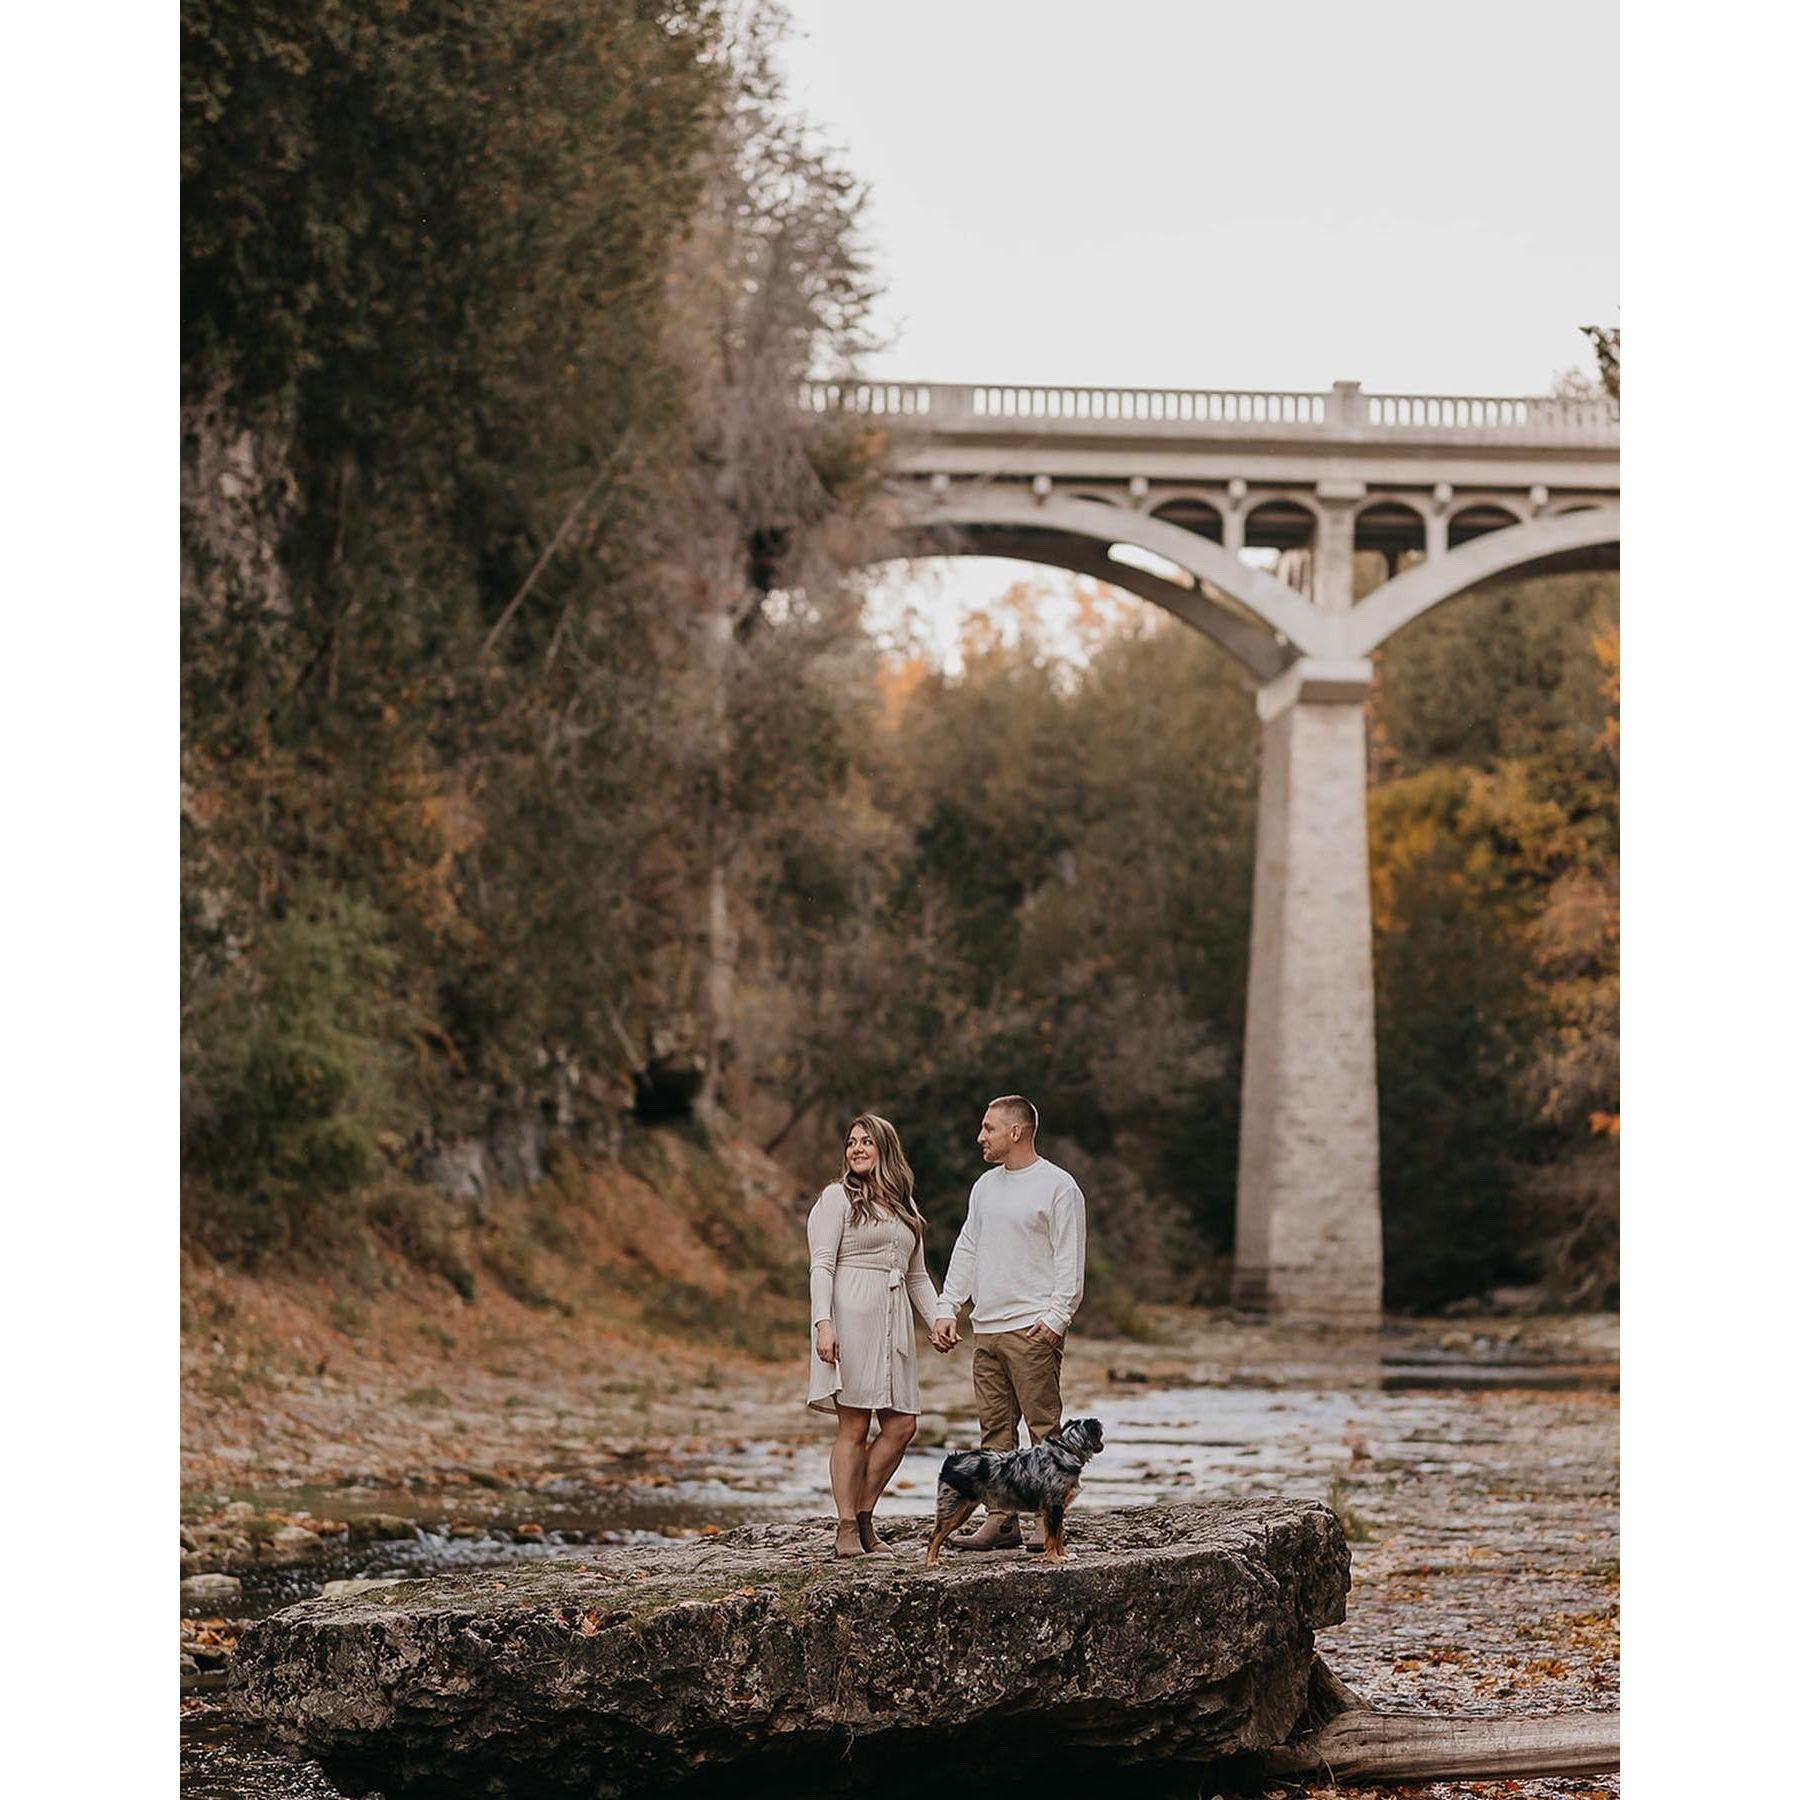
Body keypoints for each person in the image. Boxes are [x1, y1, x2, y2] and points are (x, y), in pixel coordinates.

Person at [932, 1094, 1087, 1552]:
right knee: (995, 1430)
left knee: (1045, 1431)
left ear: (1015, 1132)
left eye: (989, 1128)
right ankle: (1001, 1523)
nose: (980, 1136)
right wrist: (948, 1306)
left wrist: (1057, 1318)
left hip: (1032, 1327)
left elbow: (1070, 1257)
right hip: (986, 1327)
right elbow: (968, 1247)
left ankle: (1047, 1525)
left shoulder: (1058, 1186)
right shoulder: (984, 1186)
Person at [807, 1114, 956, 1559]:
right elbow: (821, 1265)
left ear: (885, 1149)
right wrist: (823, 1323)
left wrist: (938, 1318)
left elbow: (917, 1277)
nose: (856, 1148)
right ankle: (846, 1528)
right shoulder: (836, 1198)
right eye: (851, 1142)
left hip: (894, 1323)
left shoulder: (906, 1207)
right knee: (854, 1426)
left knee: (902, 1425)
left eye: (866, 1142)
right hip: (849, 1317)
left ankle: (864, 1515)